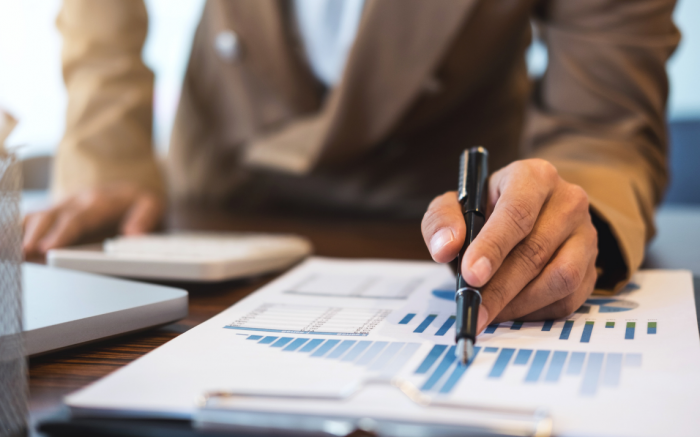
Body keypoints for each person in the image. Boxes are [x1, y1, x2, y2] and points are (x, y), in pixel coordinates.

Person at [24, 0, 679, 333]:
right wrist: (109, 154)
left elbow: (604, 117)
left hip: (447, 215)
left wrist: (569, 215)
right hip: (222, 192)